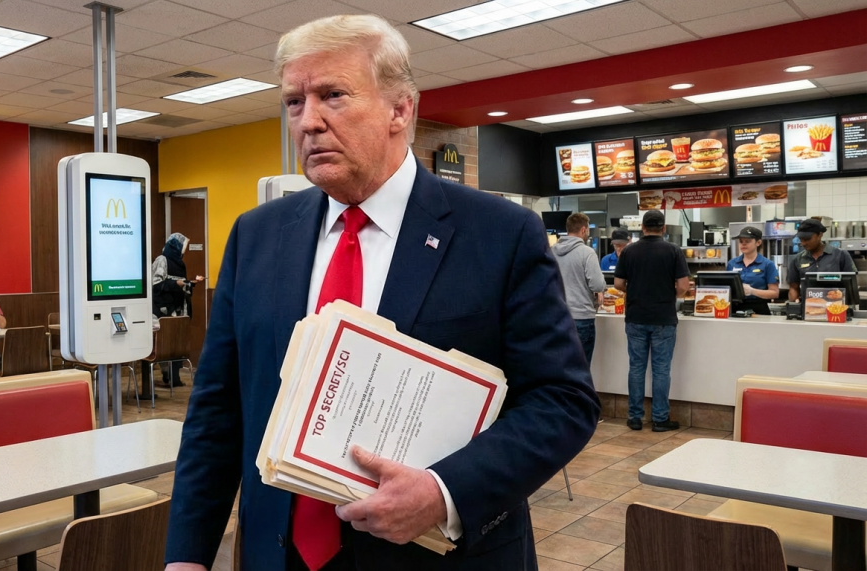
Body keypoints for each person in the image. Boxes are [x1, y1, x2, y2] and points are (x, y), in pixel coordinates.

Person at [165, 15, 599, 571]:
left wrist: (443, 490)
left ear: (401, 110)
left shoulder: (498, 233)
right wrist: (187, 556)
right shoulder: (257, 235)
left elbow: (561, 401)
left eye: (333, 96)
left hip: (436, 554)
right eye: (294, 102)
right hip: (279, 552)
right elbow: (218, 410)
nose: (309, 121)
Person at [614, 210, 689, 432]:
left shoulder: (629, 251)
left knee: (636, 368)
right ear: (663, 228)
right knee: (661, 370)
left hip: (636, 317)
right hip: (664, 318)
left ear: (643, 228)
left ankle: (635, 418)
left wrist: (635, 290)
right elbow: (684, 286)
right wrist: (668, 295)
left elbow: (618, 284)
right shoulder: (673, 250)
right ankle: (659, 419)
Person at [151, 233, 205, 389]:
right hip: (163, 310)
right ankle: (168, 377)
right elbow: (156, 285)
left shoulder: (180, 263)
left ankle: (174, 378)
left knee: (175, 345)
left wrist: (190, 283)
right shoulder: (162, 260)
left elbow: (181, 284)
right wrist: (178, 283)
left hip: (178, 310)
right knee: (165, 344)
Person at [552, 213, 605, 364]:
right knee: (581, 368)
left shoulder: (551, 251)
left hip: (557, 317)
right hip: (581, 318)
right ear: (583, 230)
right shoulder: (587, 252)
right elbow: (597, 285)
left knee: (561, 366)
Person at [787, 218, 856, 302]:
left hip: (836, 308)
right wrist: (793, 306)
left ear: (820, 235)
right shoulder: (797, 259)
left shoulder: (841, 255)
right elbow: (794, 287)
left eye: (807, 239)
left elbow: (851, 285)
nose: (803, 243)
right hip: (810, 309)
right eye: (801, 239)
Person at [726, 226, 779, 315]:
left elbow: (774, 293)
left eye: (747, 241)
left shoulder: (767, 264)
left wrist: (752, 291)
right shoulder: (732, 263)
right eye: (741, 241)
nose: (743, 244)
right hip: (735, 309)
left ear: (758, 242)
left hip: (758, 309)